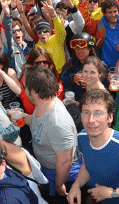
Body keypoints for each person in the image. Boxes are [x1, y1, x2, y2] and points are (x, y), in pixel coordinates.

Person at [24, 64, 80, 197]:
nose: (23, 90)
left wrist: (59, 184)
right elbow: (38, 121)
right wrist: (19, 117)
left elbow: (65, 161)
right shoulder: (45, 102)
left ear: (35, 92)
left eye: (24, 87)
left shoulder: (57, 123)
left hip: (63, 175)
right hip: (50, 169)